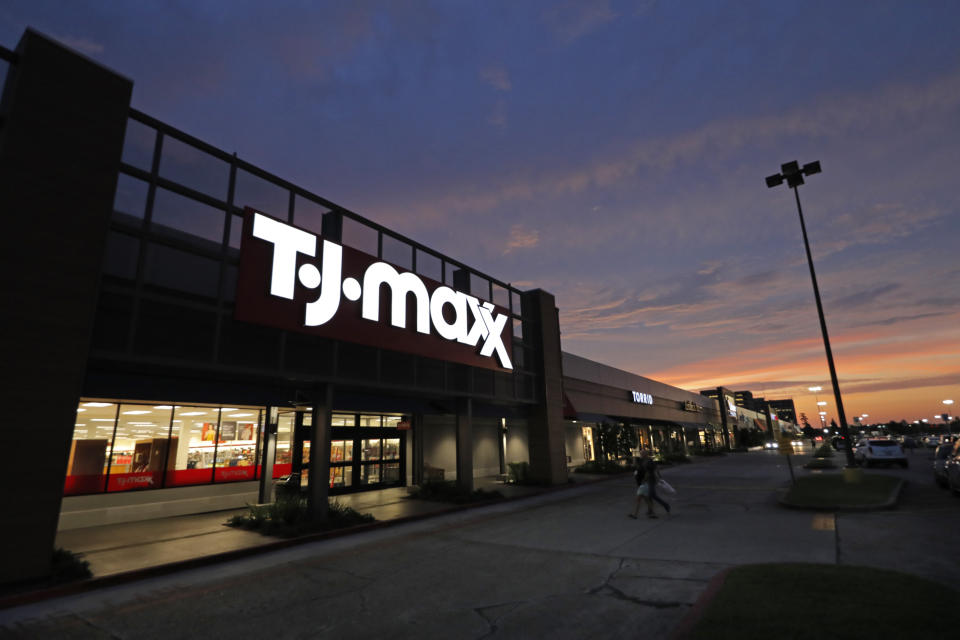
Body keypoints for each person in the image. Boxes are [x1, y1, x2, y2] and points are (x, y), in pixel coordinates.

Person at [629, 449, 671, 519]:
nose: (641, 455)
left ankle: (665, 506)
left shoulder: (649, 461)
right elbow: (639, 468)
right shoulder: (642, 461)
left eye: (642, 453)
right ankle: (650, 511)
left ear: (646, 454)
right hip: (645, 481)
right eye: (641, 453)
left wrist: (659, 477)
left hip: (650, 480)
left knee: (652, 495)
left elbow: (654, 469)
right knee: (648, 495)